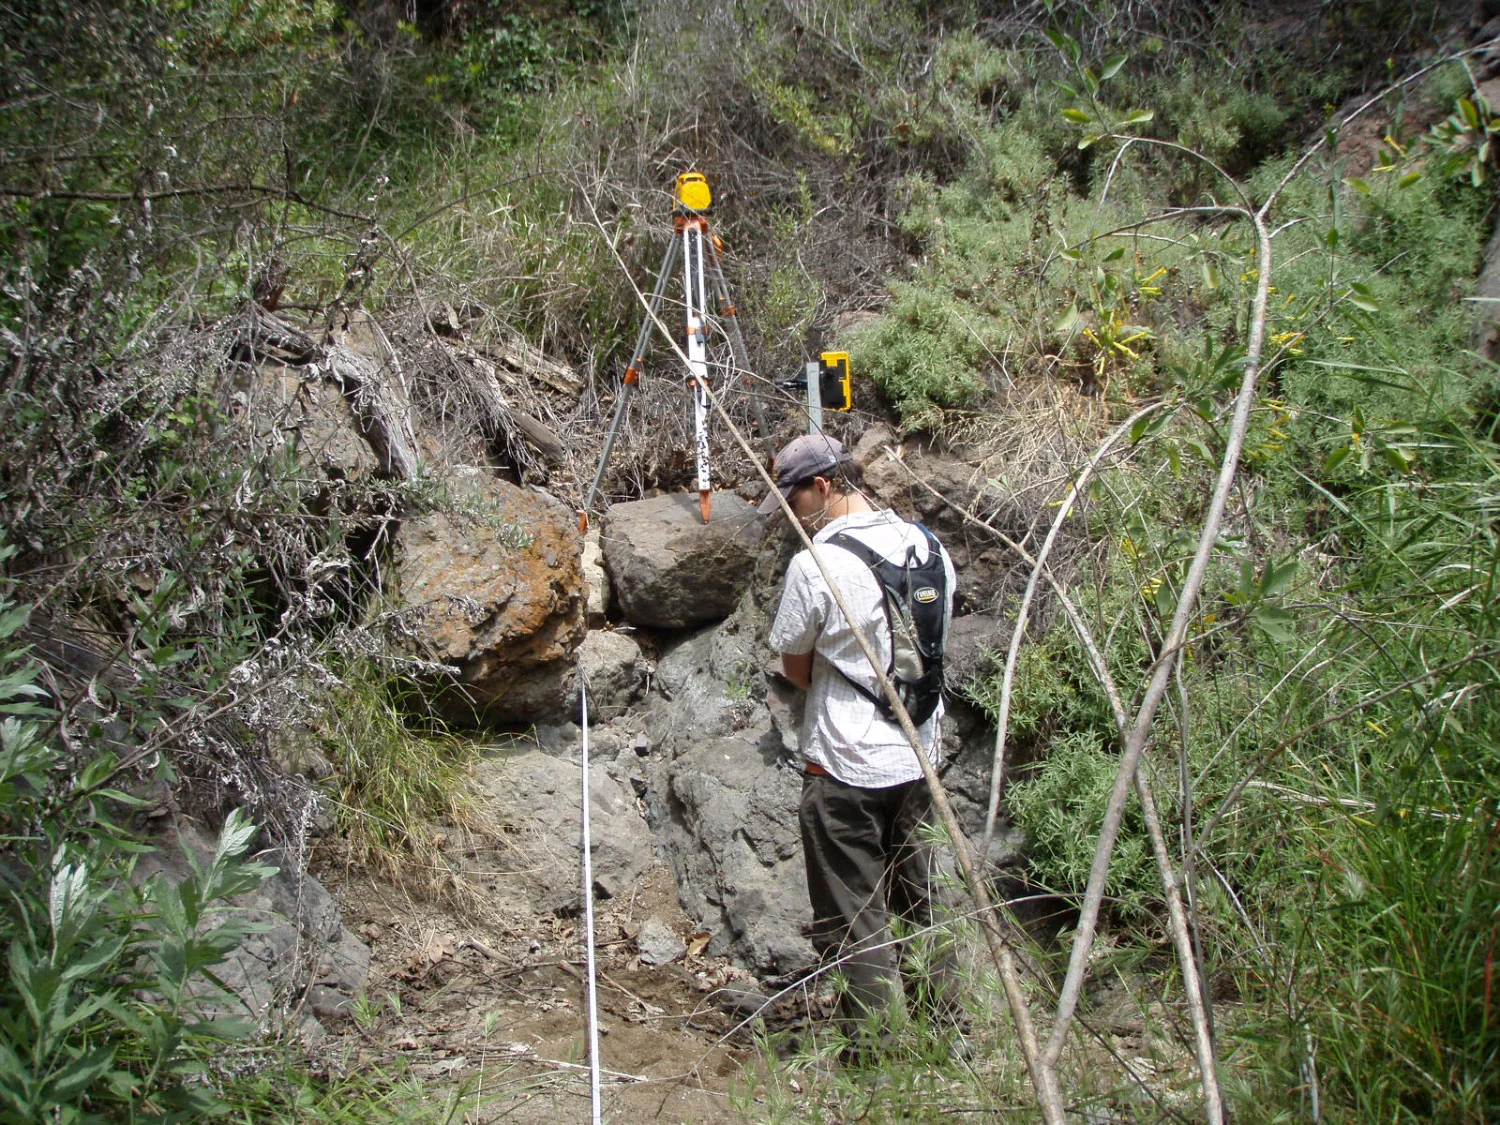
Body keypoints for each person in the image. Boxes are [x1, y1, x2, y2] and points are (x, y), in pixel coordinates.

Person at [760, 433, 959, 1049]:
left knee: (856, 916)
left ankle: (874, 1054)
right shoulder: (928, 546)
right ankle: (945, 1035)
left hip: (843, 764)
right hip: (918, 756)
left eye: (793, 499)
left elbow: (795, 666)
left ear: (822, 486)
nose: (791, 515)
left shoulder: (817, 562)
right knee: (924, 900)